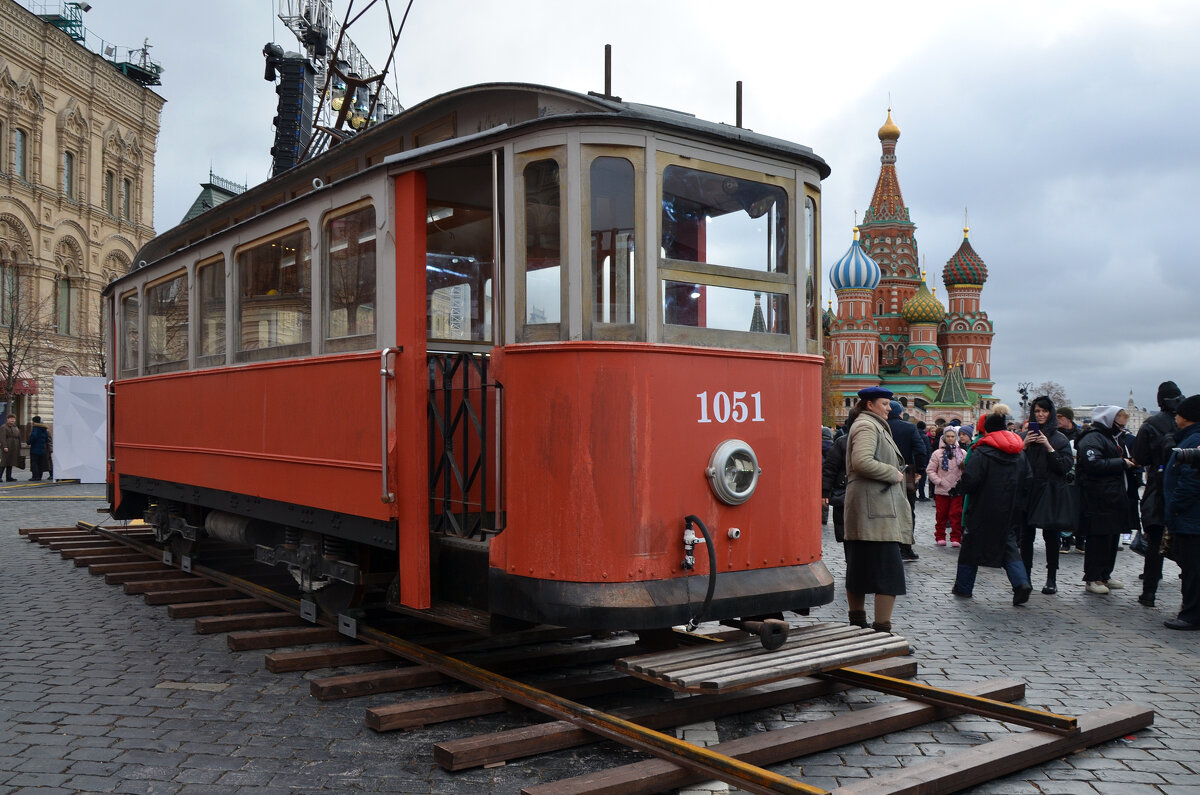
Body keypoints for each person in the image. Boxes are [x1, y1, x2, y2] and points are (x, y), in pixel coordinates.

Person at [843, 386, 914, 632]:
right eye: (884, 403)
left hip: (870, 510)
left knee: (860, 569)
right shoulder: (866, 425)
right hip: (875, 512)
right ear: (870, 404)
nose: (889, 408)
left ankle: (858, 626)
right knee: (888, 574)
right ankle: (881, 630)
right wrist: (891, 473)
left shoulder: (869, 424)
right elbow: (861, 461)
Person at [951, 412, 1034, 604]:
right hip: (1011, 508)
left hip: (983, 507)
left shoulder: (982, 451)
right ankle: (1021, 582)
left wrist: (959, 489)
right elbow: (1028, 480)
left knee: (970, 546)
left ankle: (963, 587)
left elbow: (971, 480)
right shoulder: (1019, 453)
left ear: (986, 429)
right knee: (1008, 544)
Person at [1132, 380, 1185, 607]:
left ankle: (1149, 592)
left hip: (1158, 484)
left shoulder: (1151, 424)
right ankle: (1189, 595)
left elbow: (1139, 457)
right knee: (1188, 540)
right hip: (1184, 484)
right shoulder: (1188, 424)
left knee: (1154, 540)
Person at [1075, 405, 1137, 594]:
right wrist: (1121, 463)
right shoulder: (1094, 437)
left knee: (1111, 538)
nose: (1124, 423)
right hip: (1098, 496)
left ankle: (1104, 575)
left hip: (1113, 496)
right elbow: (1091, 462)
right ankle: (1093, 577)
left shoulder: (1113, 437)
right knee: (1099, 538)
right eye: (1121, 419)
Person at [1017, 396, 1075, 595]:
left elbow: (1065, 467)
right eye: (1037, 411)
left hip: (1050, 492)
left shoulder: (1059, 438)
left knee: (1051, 535)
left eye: (1044, 411)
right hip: (1028, 491)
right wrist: (1023, 446)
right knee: (1026, 537)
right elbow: (1013, 464)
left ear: (1050, 414)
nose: (1040, 415)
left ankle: (1052, 578)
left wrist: (1048, 447)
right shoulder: (1024, 436)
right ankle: (1025, 577)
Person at [1163, 394, 1200, 630]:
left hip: (1191, 518)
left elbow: (1191, 481)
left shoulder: (1193, 440)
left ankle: (1191, 614)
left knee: (1192, 568)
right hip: (1190, 516)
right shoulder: (1190, 438)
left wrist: (1174, 507)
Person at [887, 401, 929, 560]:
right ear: (900, 413)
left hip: (881, 473)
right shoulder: (909, 427)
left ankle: (888, 547)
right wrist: (919, 471)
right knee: (907, 510)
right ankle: (905, 547)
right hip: (906, 474)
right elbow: (920, 450)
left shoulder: (879, 426)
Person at [926, 427, 966, 547]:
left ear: (956, 438)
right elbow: (930, 470)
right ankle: (940, 536)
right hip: (941, 489)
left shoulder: (962, 453)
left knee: (956, 514)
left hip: (957, 490)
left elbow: (966, 470)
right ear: (944, 437)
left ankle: (955, 537)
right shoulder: (937, 454)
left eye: (952, 436)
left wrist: (962, 483)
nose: (950, 438)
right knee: (941, 515)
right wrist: (939, 481)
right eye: (948, 436)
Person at [1057, 406, 1084, 553]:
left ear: (1068, 418)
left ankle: (1080, 539)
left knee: (1079, 507)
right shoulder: (1055, 434)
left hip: (1078, 475)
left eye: (1060, 417)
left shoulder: (1080, 434)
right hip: (1063, 475)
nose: (1057, 420)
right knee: (1064, 508)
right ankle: (1065, 540)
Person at [1114, 408, 1142, 545]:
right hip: (1116, 474)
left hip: (1129, 475)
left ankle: (1127, 531)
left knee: (1130, 505)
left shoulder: (1130, 439)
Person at [822, 419, 850, 543]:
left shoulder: (841, 441)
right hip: (845, 492)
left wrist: (825, 492)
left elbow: (830, 468)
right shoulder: (842, 442)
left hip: (841, 491)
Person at [27, 416, 52, 482]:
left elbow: (34, 436)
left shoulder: (36, 428)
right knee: (40, 463)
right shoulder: (44, 429)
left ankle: (35, 476)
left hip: (35, 448)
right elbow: (47, 438)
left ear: (34, 421)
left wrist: (29, 442)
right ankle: (40, 476)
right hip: (42, 448)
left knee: (34, 463)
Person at [820, 426, 834, 526]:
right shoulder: (833, 447)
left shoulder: (817, 446)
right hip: (827, 477)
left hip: (818, 475)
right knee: (826, 499)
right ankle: (824, 518)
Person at [1, 414, 21, 482]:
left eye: (13, 419)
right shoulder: (4, 427)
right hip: (7, 446)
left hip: (14, 446)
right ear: (7, 419)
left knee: (11, 462)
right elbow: (2, 438)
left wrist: (19, 446)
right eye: (11, 418)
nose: (13, 420)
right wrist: (5, 446)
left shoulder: (15, 427)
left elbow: (18, 437)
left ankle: (8, 477)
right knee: (4, 462)